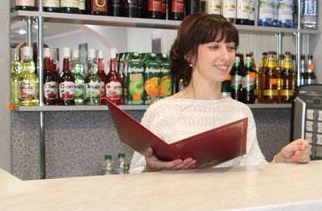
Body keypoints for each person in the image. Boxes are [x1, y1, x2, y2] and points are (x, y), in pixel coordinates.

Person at [129, 13, 310, 173]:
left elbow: (253, 171)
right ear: (190, 55)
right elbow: (134, 177)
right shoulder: (161, 111)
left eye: (230, 48)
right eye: (214, 47)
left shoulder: (240, 112)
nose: (226, 56)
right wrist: (150, 169)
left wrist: (281, 159)